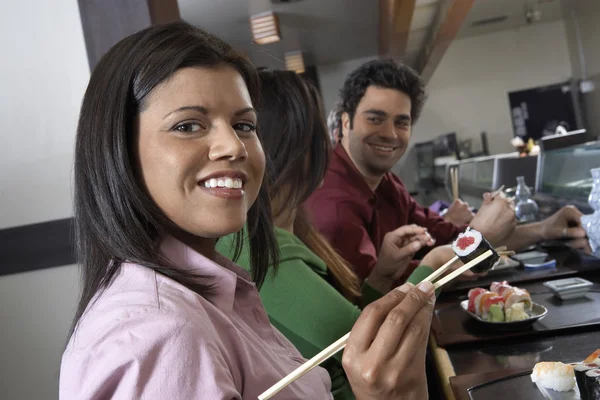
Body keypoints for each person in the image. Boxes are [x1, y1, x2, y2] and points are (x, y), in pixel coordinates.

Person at [60, 23, 437, 400]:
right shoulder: (159, 334)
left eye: (244, 125)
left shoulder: (219, 288)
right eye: (188, 125)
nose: (234, 147)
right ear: (119, 152)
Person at [217, 70, 463, 399]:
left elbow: (343, 329)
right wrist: (432, 268)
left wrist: (380, 275)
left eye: (401, 123)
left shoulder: (283, 233)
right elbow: (372, 348)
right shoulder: (256, 250)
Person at [306, 59, 586, 284]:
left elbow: (451, 237)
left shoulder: (387, 184)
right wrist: (476, 235)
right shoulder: (333, 201)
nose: (390, 134)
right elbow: (373, 296)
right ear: (345, 123)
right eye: (375, 118)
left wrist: (546, 228)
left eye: (401, 122)